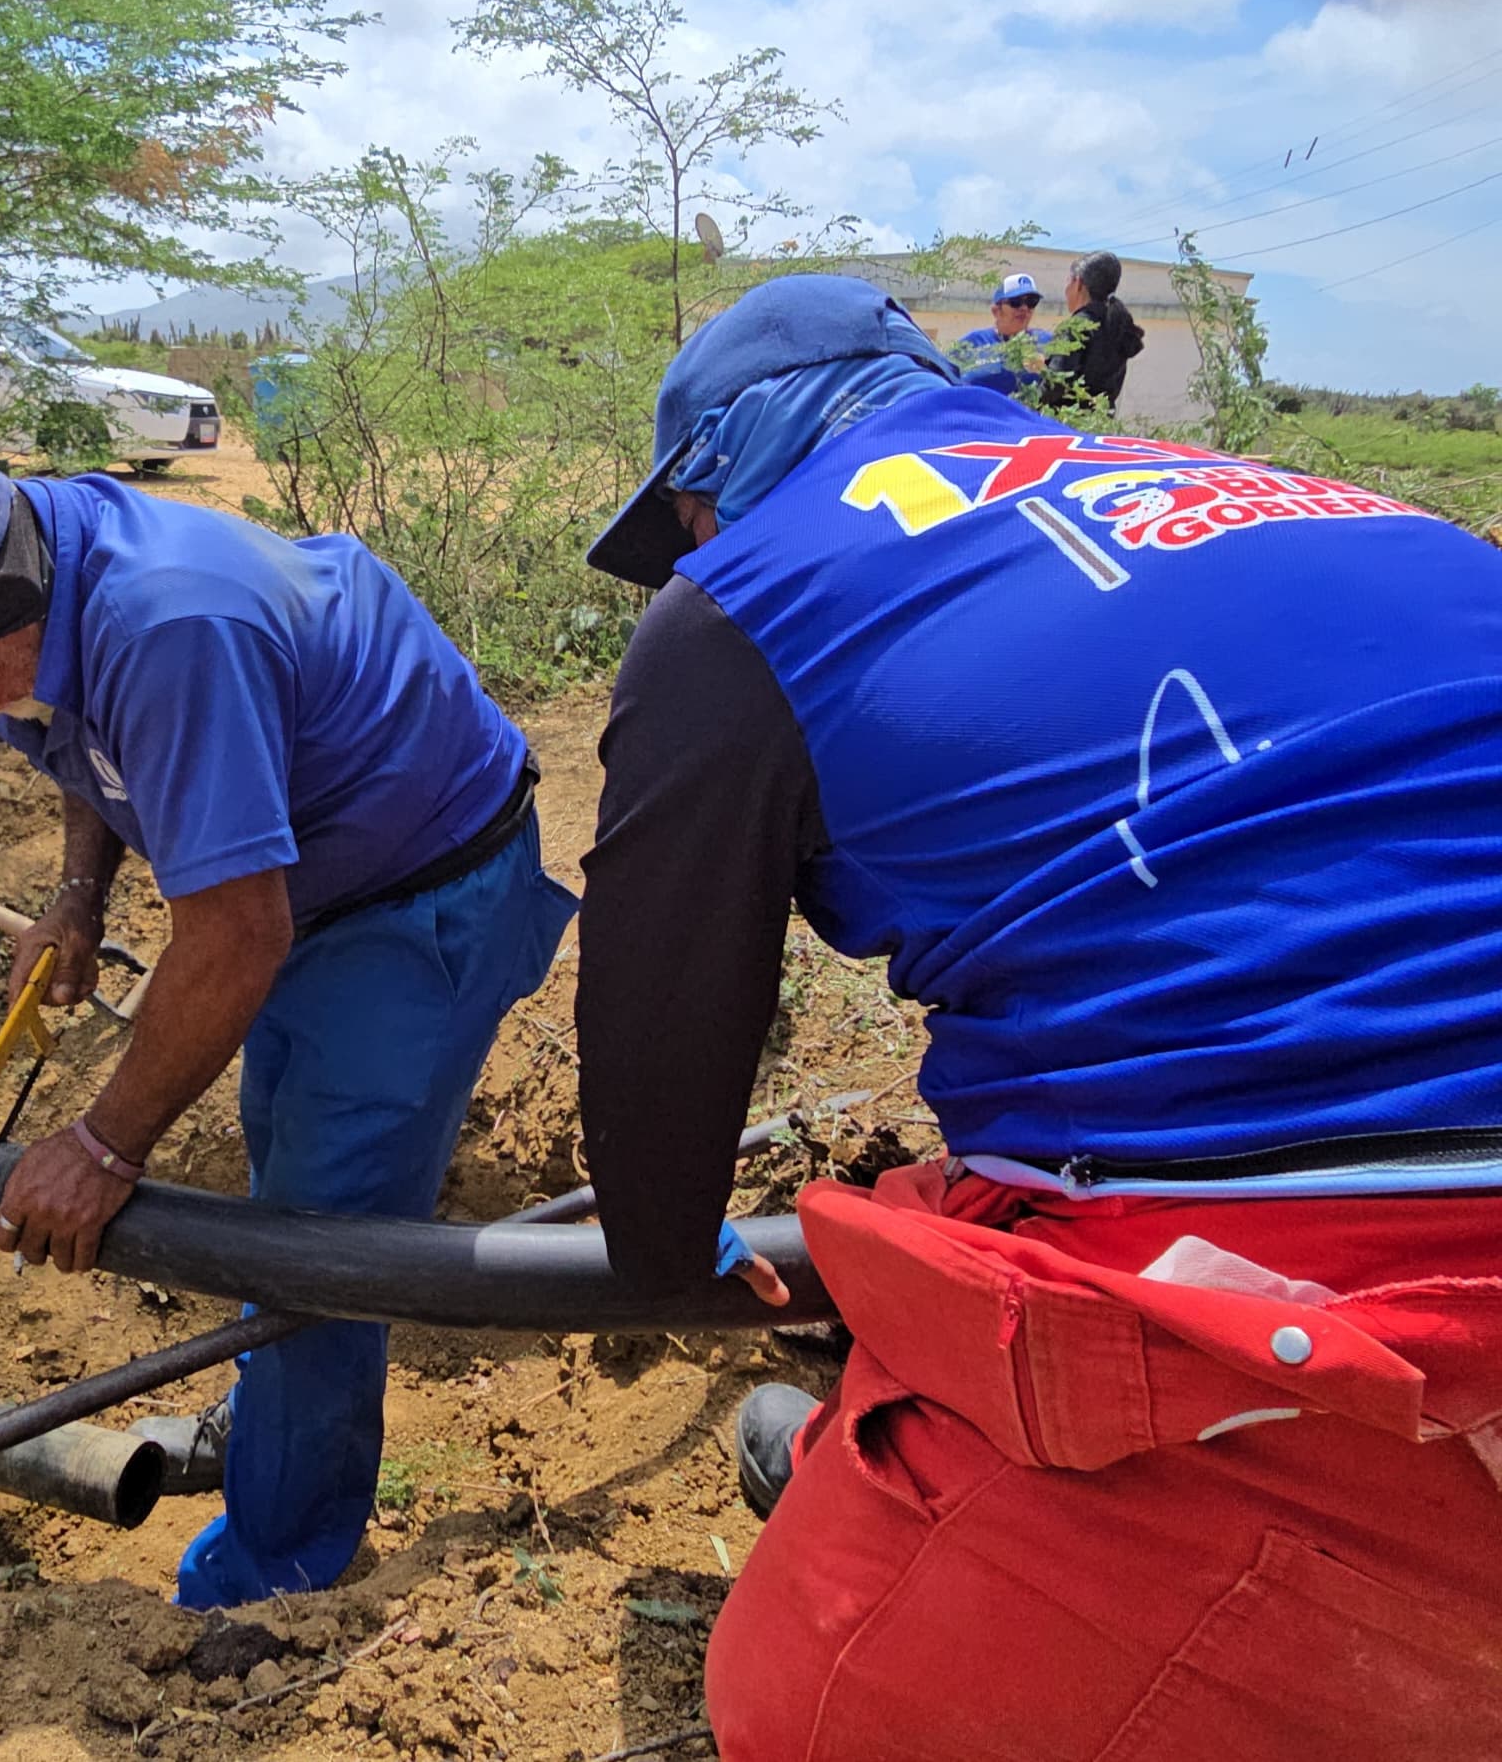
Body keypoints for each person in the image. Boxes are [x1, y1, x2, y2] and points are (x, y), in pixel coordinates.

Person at [577, 273, 1502, 1758]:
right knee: (957, 1195)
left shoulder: (740, 597)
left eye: (687, 517)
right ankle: (876, 1444)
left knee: (807, 1695)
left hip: (1350, 1273)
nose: (695, 548)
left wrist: (673, 1254)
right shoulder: (1318, 496)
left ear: (725, 472)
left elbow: (653, 1124)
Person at [0, 411, 577, 1608]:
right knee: (283, 1167)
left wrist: (101, 1145)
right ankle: (274, 1419)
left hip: (423, 894)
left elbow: (237, 935)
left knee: (321, 1241)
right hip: (307, 879)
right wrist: (78, 897)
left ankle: (279, 1571)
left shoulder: (170, 625)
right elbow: (74, 740)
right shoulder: (31, 557)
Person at [1047, 248, 1146, 410]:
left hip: (1067, 426)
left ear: (1078, 283)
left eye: (1069, 281)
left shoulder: (1076, 327)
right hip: (1099, 425)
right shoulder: (1117, 325)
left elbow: (1056, 384)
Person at [951, 271, 1052, 395]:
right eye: (1016, 302)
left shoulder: (1047, 344)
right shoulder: (971, 344)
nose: (1024, 308)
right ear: (996, 311)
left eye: (1032, 302)